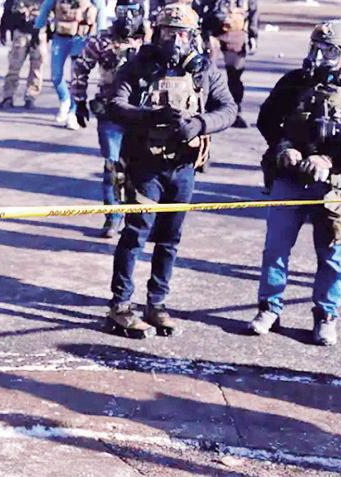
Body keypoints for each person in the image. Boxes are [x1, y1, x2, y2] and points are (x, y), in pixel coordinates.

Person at [105, 3, 236, 338]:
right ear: (157, 33)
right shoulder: (137, 66)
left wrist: (200, 124)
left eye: (182, 34)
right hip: (145, 166)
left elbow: (228, 108)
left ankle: (157, 303)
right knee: (136, 234)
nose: (175, 41)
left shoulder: (204, 70)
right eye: (168, 33)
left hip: (183, 167)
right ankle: (120, 305)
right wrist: (149, 116)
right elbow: (115, 104)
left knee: (170, 239)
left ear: (193, 37)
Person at [252, 20, 341, 346]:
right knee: (275, 249)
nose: (318, 56)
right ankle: (269, 308)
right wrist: (284, 148)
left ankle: (326, 315)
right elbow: (267, 120)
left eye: (328, 51)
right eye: (315, 48)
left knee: (331, 255)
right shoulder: (295, 82)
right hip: (289, 179)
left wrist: (329, 160)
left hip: (335, 188)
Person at [70, 0, 146, 238]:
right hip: (111, 112)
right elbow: (80, 67)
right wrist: (79, 101)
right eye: (122, 10)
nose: (127, 16)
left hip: (143, 113)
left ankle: (136, 218)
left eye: (132, 11)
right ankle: (113, 216)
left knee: (140, 168)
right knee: (112, 167)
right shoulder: (102, 40)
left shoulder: (151, 40)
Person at [34, 0, 106, 130]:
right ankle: (64, 99)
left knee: (76, 77)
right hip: (60, 37)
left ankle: (73, 113)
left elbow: (101, 9)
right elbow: (46, 7)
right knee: (56, 75)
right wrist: (37, 28)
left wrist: (101, 33)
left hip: (80, 38)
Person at [204, 0, 258, 128]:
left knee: (235, 74)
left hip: (237, 32)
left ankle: (234, 112)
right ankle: (207, 110)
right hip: (213, 31)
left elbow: (253, 11)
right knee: (206, 73)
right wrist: (203, 32)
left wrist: (253, 35)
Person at [0, 0, 49, 110]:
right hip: (21, 32)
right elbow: (8, 9)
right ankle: (8, 96)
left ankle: (31, 96)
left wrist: (50, 32)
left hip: (40, 33)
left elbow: (52, 11)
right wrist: (3, 29)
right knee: (14, 66)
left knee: (37, 68)